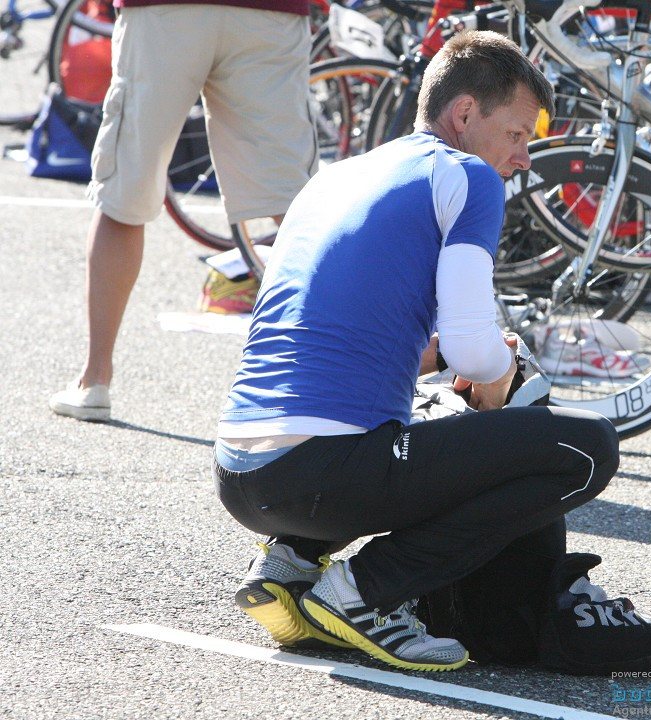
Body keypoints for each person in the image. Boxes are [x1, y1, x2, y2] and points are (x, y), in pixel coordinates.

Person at [212, 30, 620, 672]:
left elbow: (342, 331)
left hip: (241, 474)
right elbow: (474, 352)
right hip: (322, 473)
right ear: (464, 115)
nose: (524, 158)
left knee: (429, 419)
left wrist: (444, 364)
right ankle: (362, 592)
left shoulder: (339, 176)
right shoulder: (468, 177)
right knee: (584, 445)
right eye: (516, 134)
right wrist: (497, 377)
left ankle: (288, 563)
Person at [49, 0, 318, 422]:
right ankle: (332, 378)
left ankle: (94, 379)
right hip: (270, 12)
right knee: (296, 210)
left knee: (125, 192)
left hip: (164, 10)